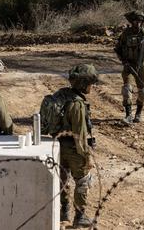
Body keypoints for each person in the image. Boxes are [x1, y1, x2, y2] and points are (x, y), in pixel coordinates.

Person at [46, 64, 98, 228]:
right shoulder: (77, 104)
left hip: (57, 146)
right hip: (74, 149)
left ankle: (63, 212)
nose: (92, 86)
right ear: (83, 84)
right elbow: (80, 134)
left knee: (62, 179)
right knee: (83, 181)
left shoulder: (61, 95)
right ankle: (80, 216)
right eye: (90, 83)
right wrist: (86, 155)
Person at [114, 10, 144, 123]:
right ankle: (128, 115)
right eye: (135, 21)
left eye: (140, 21)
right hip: (129, 66)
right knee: (127, 90)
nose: (137, 23)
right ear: (131, 21)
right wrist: (123, 61)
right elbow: (117, 49)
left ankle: (138, 114)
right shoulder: (125, 34)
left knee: (143, 93)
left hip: (143, 66)